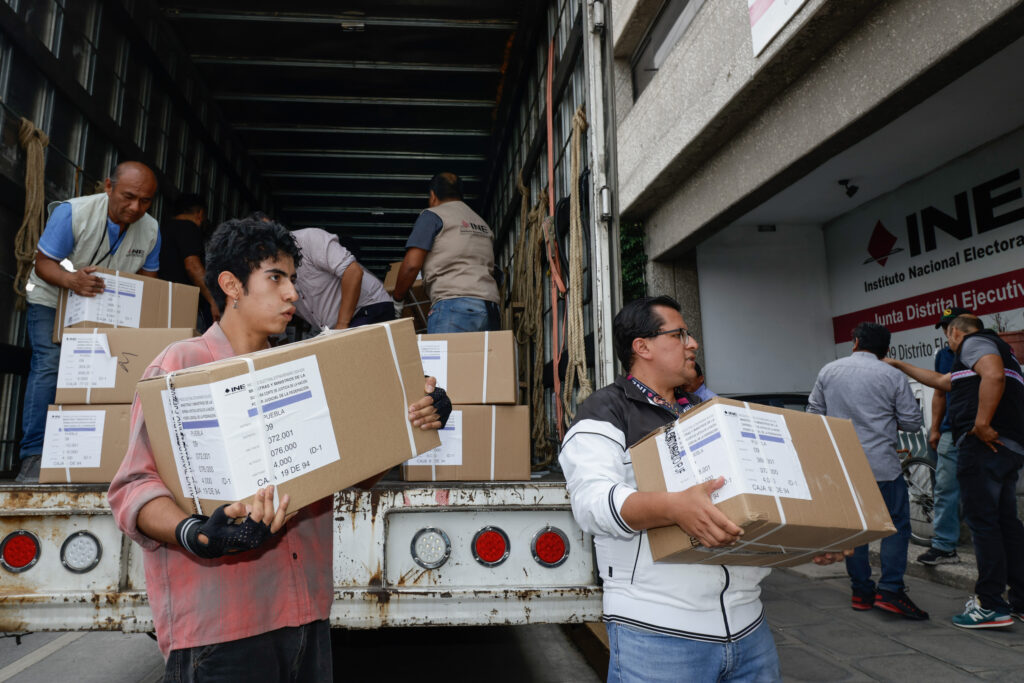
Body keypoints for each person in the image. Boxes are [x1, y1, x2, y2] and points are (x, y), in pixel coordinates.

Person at [107, 217, 449, 678]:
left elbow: (343, 478)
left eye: (293, 279)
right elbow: (132, 487)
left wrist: (411, 425)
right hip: (221, 629)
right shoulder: (180, 367)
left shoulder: (300, 370)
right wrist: (199, 535)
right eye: (276, 277)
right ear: (231, 285)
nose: (293, 293)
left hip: (305, 616)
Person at [560, 296, 844, 682]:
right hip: (657, 635)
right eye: (679, 335)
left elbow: (756, 504)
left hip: (750, 632)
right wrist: (673, 507)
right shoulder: (606, 411)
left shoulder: (708, 412)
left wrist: (812, 539)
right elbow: (592, 503)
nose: (693, 343)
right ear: (641, 347)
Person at [17, 161, 161, 483]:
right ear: (108, 186)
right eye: (128, 196)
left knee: (105, 373)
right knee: (50, 365)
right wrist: (71, 281)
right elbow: (43, 264)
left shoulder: (151, 230)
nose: (136, 207)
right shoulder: (72, 213)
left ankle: (99, 458)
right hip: (52, 299)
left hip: (103, 309)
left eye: (146, 201)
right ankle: (33, 456)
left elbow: (148, 285)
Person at [887, 315, 1024, 628]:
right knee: (1006, 524)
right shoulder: (1000, 351)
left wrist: (982, 423)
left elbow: (994, 376)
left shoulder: (975, 343)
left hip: (983, 447)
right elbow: (942, 382)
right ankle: (1019, 600)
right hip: (1008, 449)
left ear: (954, 333)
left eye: (948, 337)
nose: (948, 344)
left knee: (983, 523)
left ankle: (990, 606)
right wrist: (899, 364)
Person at [807, 322, 928, 620]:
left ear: (856, 342)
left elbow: (813, 417)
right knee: (895, 526)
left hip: (843, 466)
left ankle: (861, 592)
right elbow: (913, 423)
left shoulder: (829, 370)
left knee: (856, 529)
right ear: (885, 350)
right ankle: (890, 591)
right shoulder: (892, 375)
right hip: (882, 466)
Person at [392, 172, 500, 333]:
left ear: (433, 195)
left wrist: (397, 301)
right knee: (480, 359)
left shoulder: (432, 216)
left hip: (453, 305)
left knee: (446, 358)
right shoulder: (482, 223)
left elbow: (411, 265)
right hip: (490, 307)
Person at [918, 306, 972, 566]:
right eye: (944, 328)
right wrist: (936, 427)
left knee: (980, 488)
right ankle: (944, 546)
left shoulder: (982, 352)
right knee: (945, 487)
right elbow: (939, 392)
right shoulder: (943, 355)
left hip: (977, 430)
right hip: (950, 429)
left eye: (951, 327)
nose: (947, 332)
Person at [291, 227, 394, 330]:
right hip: (333, 328)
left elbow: (353, 272)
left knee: (351, 345)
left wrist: (341, 325)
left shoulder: (308, 239)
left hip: (367, 308)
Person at [158, 193, 220, 331]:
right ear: (200, 213)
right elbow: (192, 266)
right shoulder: (189, 228)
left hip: (160, 302)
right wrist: (212, 300)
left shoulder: (161, 229)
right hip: (183, 306)